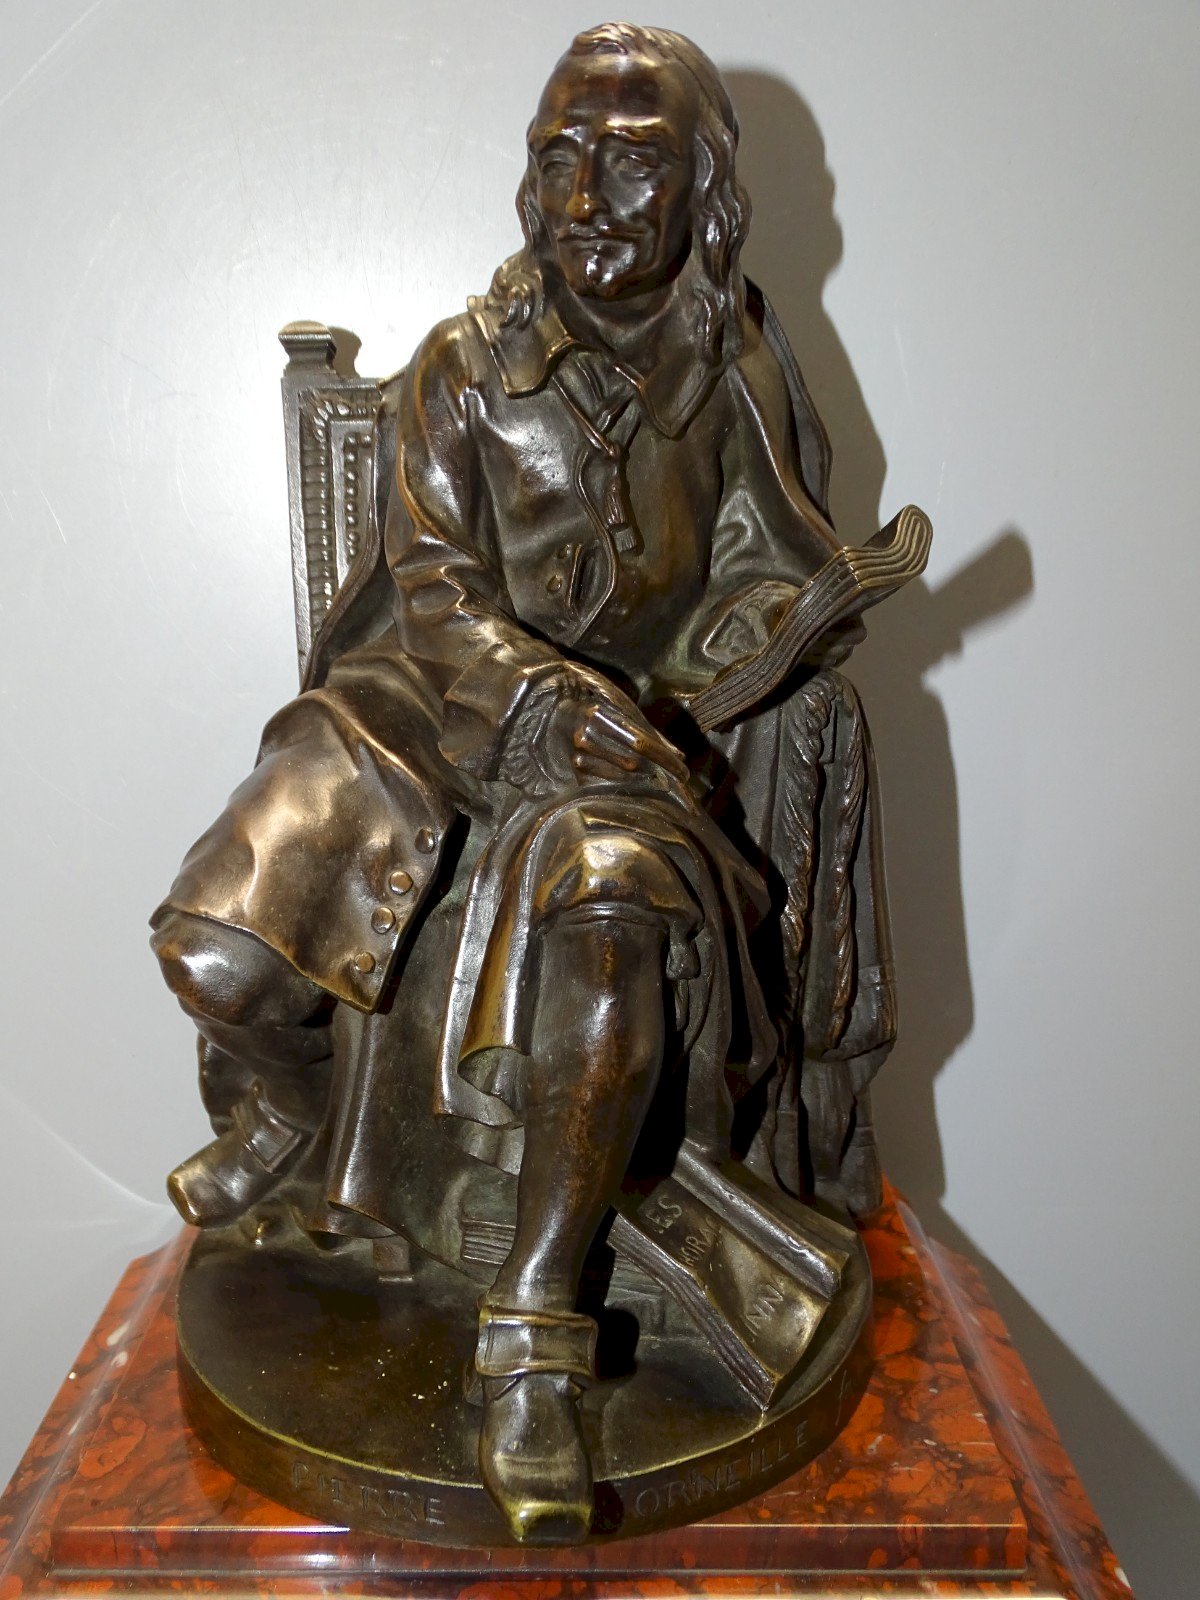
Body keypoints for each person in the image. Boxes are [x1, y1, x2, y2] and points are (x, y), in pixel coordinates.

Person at [150, 22, 897, 1543]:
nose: (585, 196)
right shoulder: (463, 369)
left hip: (619, 759)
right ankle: (297, 1111)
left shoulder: (736, 374)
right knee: (215, 958)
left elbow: (760, 566)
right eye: (559, 156)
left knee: (611, 900)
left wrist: (784, 628)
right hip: (419, 713)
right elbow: (428, 591)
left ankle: (533, 1340)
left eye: (631, 161)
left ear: (705, 193)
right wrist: (534, 691)